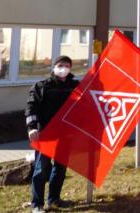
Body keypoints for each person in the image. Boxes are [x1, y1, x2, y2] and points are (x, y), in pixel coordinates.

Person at [25, 55, 80, 213]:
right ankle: (37, 204)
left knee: (60, 168)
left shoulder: (75, 86)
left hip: (65, 134)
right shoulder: (42, 86)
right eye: (60, 65)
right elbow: (31, 107)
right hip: (45, 134)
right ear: (54, 67)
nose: (63, 68)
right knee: (41, 169)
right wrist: (32, 127)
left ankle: (54, 199)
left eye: (67, 66)